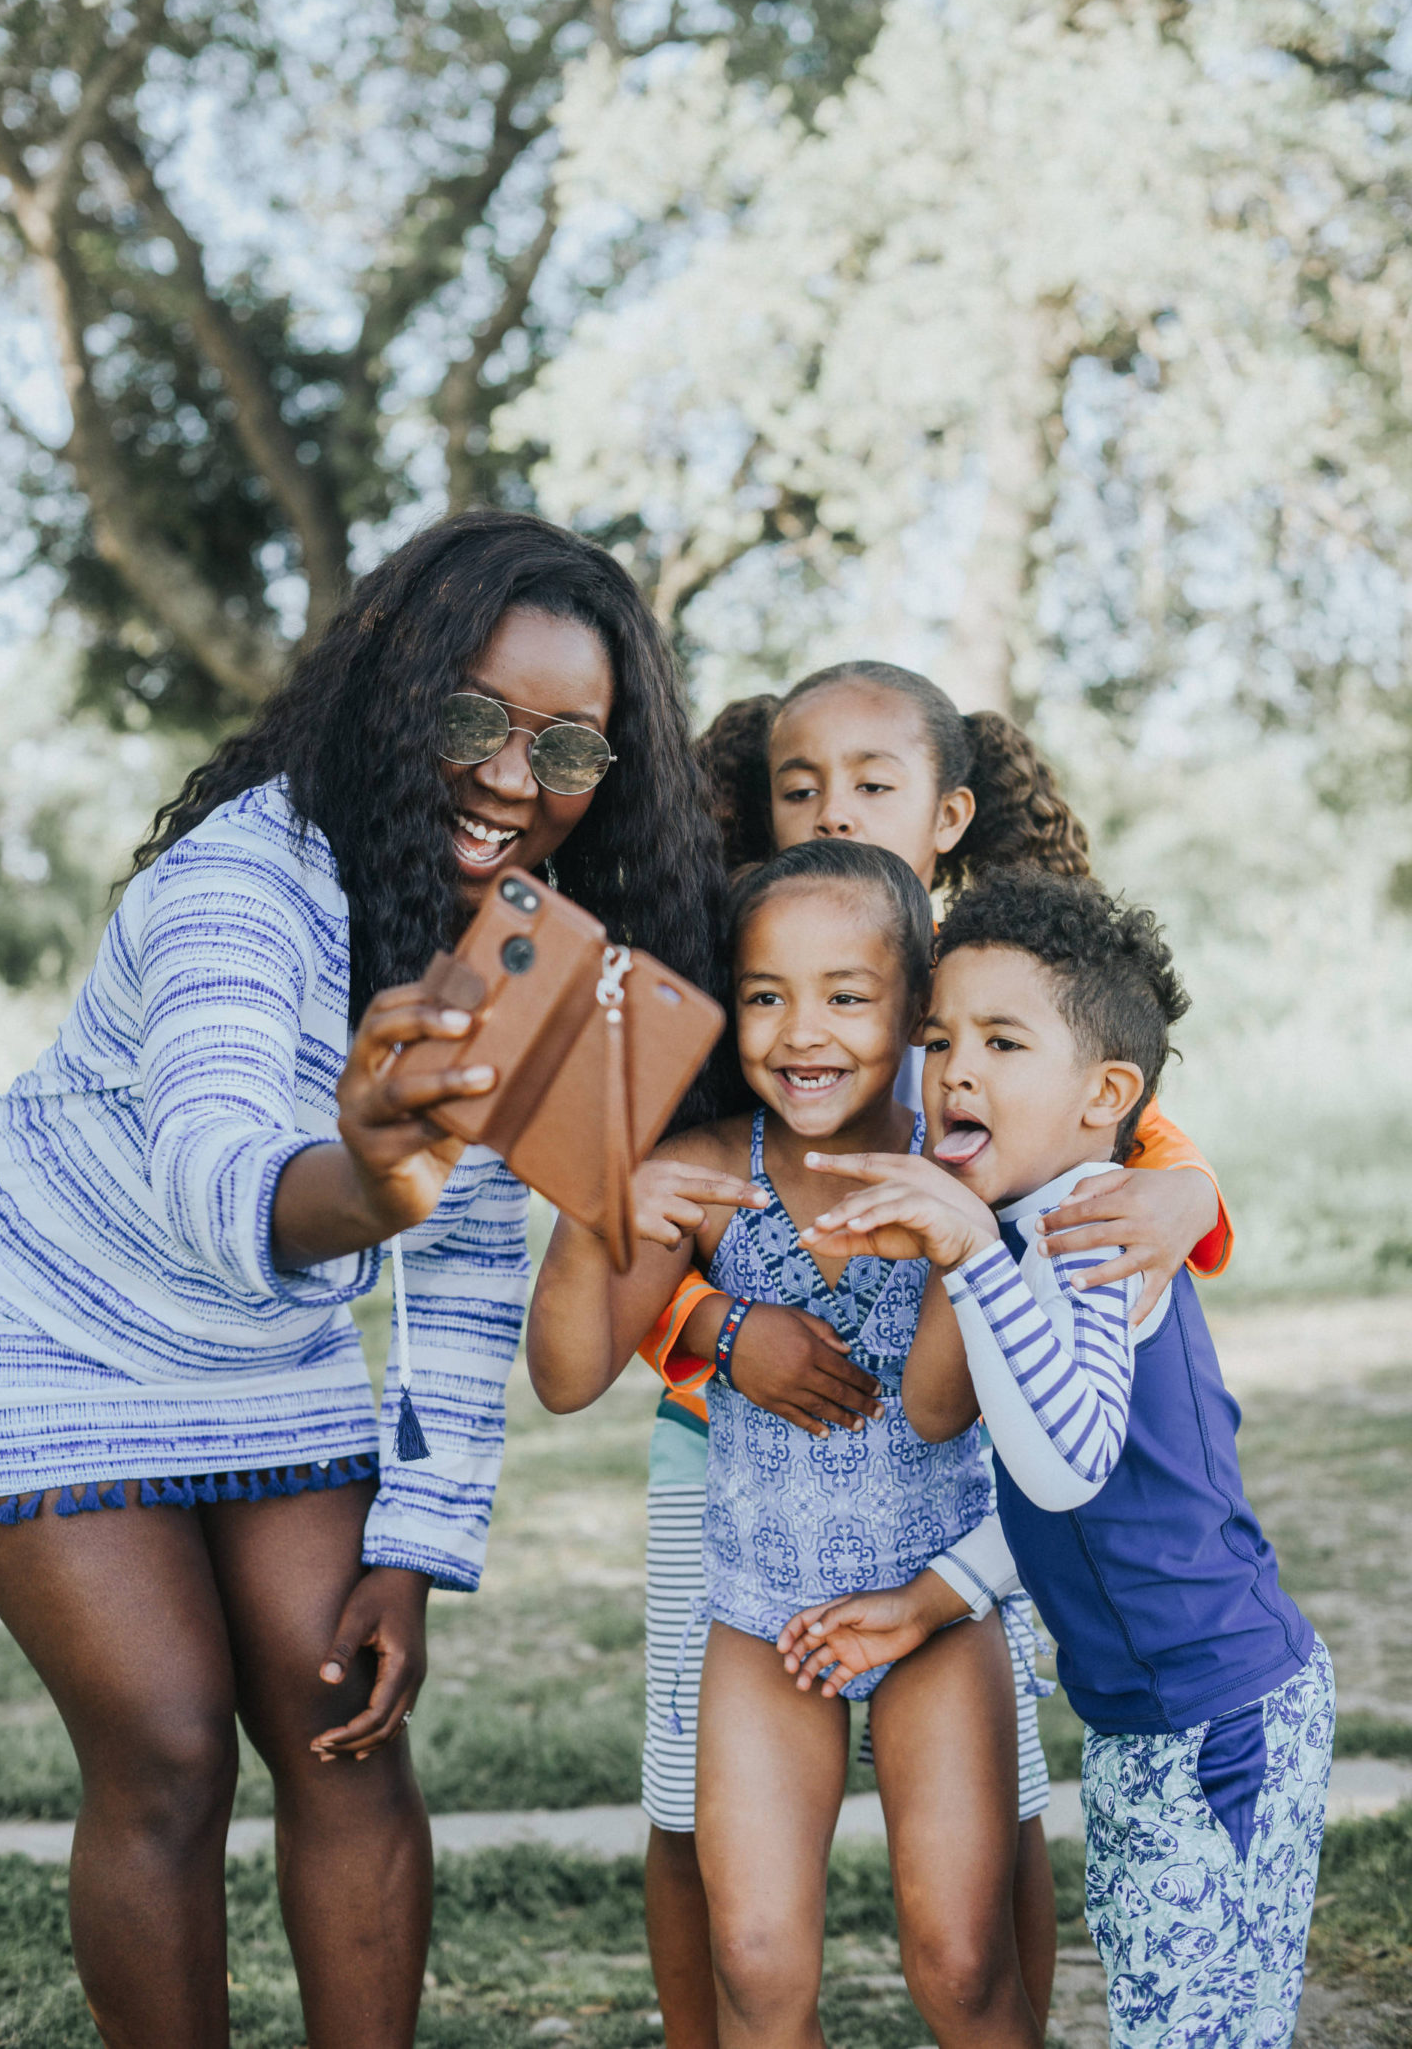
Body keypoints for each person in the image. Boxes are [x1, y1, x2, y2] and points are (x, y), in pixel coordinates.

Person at [0, 511, 728, 2049]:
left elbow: (461, 1263)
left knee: (341, 1736)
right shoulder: (240, 885)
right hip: (42, 1313)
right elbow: (213, 1174)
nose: (515, 783)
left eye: (571, 751)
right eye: (475, 721)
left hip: (265, 1342)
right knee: (173, 1748)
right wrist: (379, 1173)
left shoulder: (527, 951)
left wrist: (421, 1540)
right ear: (391, 686)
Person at [635, 660, 1232, 2043]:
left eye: (873, 783)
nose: (834, 807)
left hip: (952, 1488)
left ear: (949, 813)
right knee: (693, 1812)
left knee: (991, 1813)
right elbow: (640, 1215)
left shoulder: (978, 994)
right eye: (801, 786)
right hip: (728, 1470)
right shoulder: (751, 994)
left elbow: (1125, 1134)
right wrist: (720, 1331)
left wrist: (1193, 1190)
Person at [529, 839, 1045, 2049]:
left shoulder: (965, 1164)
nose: (800, 1030)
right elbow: (562, 1379)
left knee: (963, 1963)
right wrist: (592, 1221)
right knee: (755, 1964)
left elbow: (936, 1411)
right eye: (766, 996)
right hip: (763, 1614)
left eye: (847, 997)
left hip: (937, 1609)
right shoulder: (704, 1174)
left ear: (920, 1011)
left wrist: (945, 1230)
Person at [805, 866, 1330, 2049]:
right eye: (940, 1041)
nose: (957, 1072)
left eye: (1002, 1040)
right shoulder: (1032, 1224)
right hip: (1160, 1717)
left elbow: (1069, 1466)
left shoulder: (1094, 1225)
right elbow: (1061, 1510)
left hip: (1218, 1715)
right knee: (1182, 2019)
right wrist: (929, 1601)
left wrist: (969, 1258)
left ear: (1106, 1097)